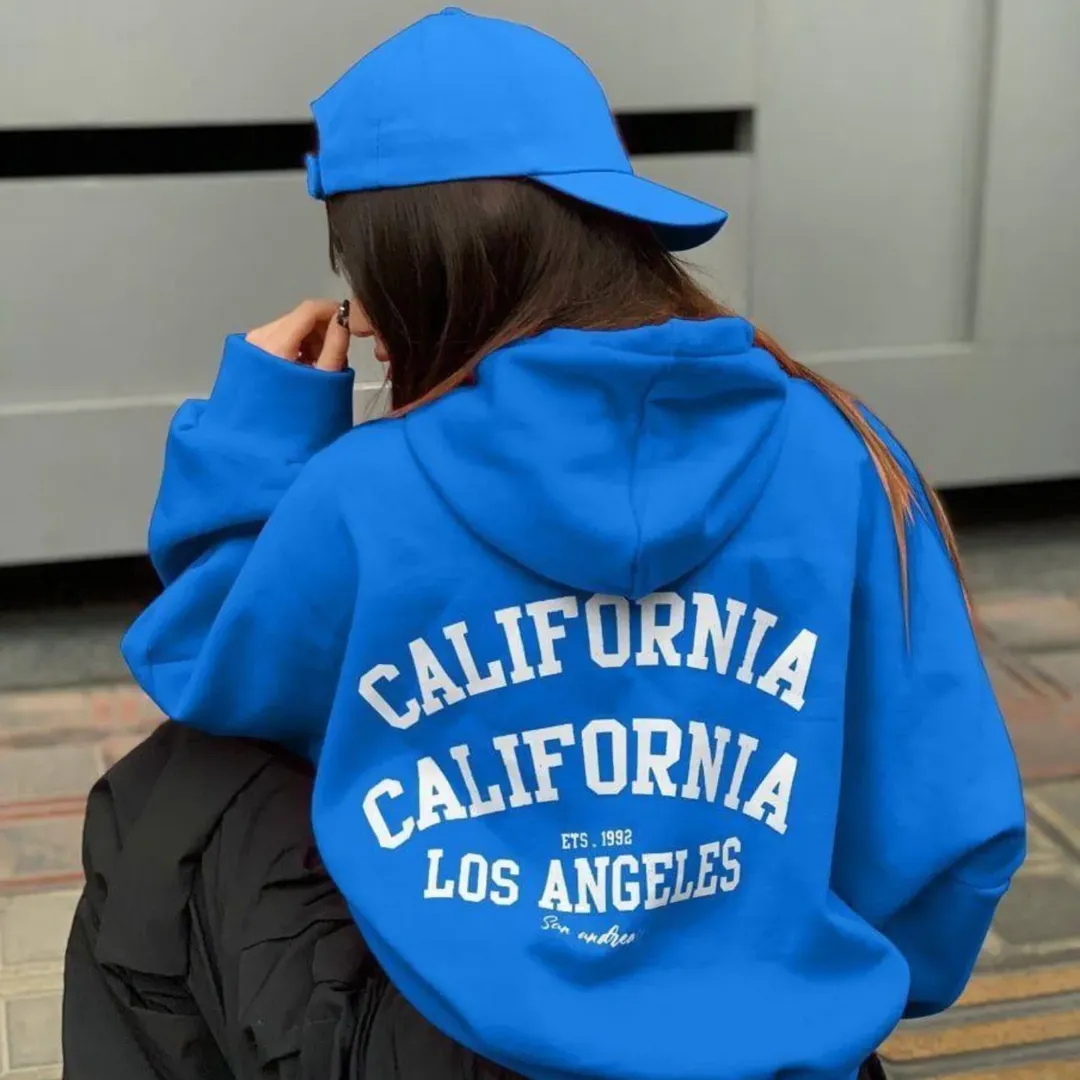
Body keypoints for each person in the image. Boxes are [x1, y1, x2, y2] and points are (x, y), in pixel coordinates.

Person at [63, 8, 1026, 1080]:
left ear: (418, 268)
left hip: (458, 1051)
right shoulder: (842, 452)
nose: (364, 321)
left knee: (164, 798)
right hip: (777, 1053)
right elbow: (951, 833)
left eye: (361, 276)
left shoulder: (370, 492)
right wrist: (793, 990)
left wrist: (259, 431)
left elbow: (211, 668)